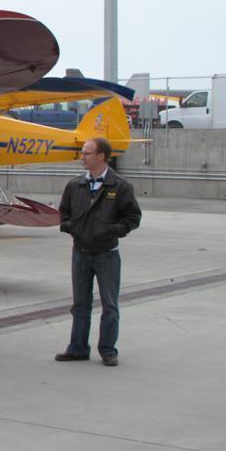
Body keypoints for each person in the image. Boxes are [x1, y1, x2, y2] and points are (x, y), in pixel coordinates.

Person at [55, 137, 141, 367]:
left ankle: (108, 349)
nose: (82, 157)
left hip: (107, 254)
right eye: (83, 153)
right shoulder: (76, 185)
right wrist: (71, 228)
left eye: (86, 153)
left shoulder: (119, 186)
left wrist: (111, 231)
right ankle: (78, 348)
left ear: (101, 156)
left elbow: (133, 217)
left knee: (109, 304)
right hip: (80, 252)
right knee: (80, 303)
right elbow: (63, 212)